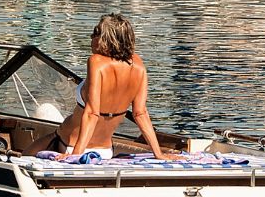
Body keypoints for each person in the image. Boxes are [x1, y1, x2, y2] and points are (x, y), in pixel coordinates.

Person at [54, 14, 175, 160]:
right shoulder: (138, 64)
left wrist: (75, 156)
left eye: (97, 32)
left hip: (71, 146)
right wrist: (159, 154)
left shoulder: (96, 62)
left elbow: (92, 113)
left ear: (108, 39)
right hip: (106, 150)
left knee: (26, 153)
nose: (91, 36)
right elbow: (140, 113)